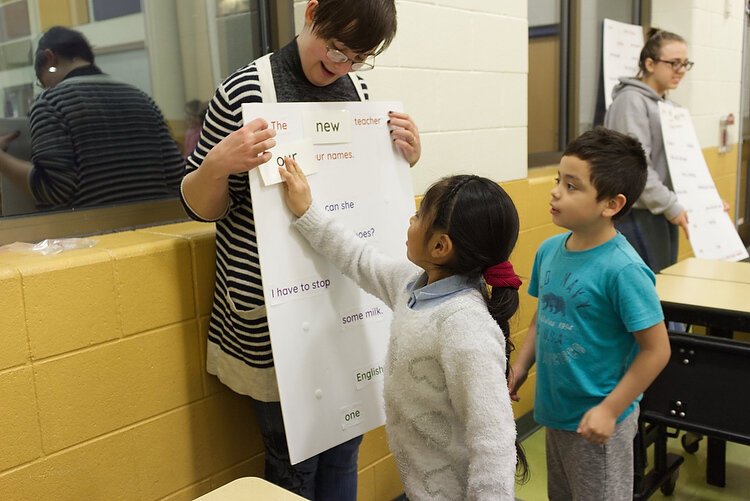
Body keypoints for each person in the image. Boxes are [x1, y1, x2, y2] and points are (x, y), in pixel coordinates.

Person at [179, 1, 421, 498]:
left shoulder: (358, 92)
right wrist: (218, 164)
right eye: (336, 48)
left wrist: (405, 159)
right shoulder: (245, 91)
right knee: (294, 466)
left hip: (344, 303)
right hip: (273, 315)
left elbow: (367, 194)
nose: (341, 66)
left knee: (346, 450)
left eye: (358, 58)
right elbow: (200, 209)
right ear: (311, 12)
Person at [280, 157, 526, 500]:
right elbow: (359, 259)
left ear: (440, 247)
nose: (411, 219)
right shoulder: (411, 285)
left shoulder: (465, 326)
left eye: (419, 215)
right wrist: (308, 212)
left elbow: (494, 442)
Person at [509, 127, 671, 500]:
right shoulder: (549, 250)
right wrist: (520, 367)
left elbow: (656, 349)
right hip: (556, 413)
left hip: (598, 424)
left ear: (611, 204)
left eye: (572, 186)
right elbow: (540, 321)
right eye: (557, 180)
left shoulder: (624, 269)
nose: (555, 192)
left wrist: (610, 410)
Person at [0, 26, 184, 210]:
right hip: (154, 224)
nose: (46, 88)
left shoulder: (51, 103)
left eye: (42, 81)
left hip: (90, 227)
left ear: (50, 58)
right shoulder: (142, 99)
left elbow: (53, 190)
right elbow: (177, 177)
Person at [603, 28, 692, 273]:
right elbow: (636, 167)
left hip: (662, 209)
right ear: (650, 64)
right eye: (674, 63)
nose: (681, 70)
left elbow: (683, 167)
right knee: (649, 283)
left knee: (666, 280)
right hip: (638, 213)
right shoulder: (631, 101)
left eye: (685, 63)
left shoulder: (670, 107)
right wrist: (671, 205)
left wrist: (706, 201)